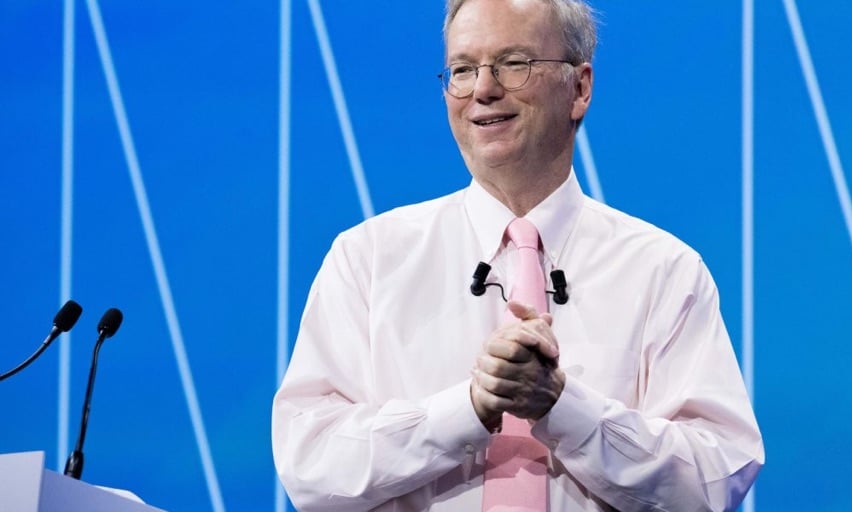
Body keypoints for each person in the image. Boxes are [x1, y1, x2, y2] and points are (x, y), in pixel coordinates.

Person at [271, 0, 764, 510]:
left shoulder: (663, 271)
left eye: (513, 63)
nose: (483, 89)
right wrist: (466, 410)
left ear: (579, 88)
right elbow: (311, 466)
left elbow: (712, 483)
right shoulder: (369, 259)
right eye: (463, 69)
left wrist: (564, 409)